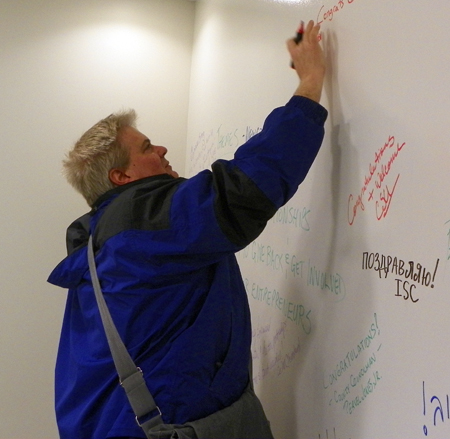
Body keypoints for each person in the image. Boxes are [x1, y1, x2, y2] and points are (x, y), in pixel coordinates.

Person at [48, 20, 327, 439]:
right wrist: (310, 85)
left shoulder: (102, 240)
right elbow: (242, 192)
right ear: (122, 177)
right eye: (146, 148)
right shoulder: (139, 222)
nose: (160, 149)